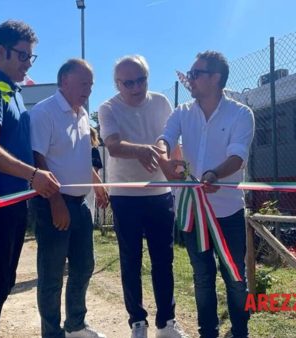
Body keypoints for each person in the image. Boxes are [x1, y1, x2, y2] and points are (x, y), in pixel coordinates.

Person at [0, 20, 60, 338]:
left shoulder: (15, 92)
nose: (27, 63)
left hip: (15, 204)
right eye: (23, 56)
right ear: (0, 51)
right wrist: (33, 174)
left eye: (31, 57)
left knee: (3, 283)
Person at [158, 51, 255, 338]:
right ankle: (208, 333)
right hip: (193, 213)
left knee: (236, 279)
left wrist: (214, 174)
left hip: (228, 213)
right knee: (202, 279)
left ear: (216, 78)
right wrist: (164, 158)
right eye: (191, 72)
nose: (190, 78)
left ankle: (240, 332)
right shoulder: (181, 112)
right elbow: (165, 138)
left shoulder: (241, 114)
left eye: (196, 73)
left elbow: (238, 156)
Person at [98, 55, 188, 338]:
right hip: (125, 195)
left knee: (164, 259)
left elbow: (173, 142)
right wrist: (142, 150)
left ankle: (166, 323)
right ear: (117, 83)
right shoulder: (107, 108)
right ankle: (137, 322)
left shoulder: (161, 102)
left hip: (161, 193)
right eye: (128, 82)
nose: (136, 87)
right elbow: (112, 146)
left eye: (141, 80)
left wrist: (176, 169)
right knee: (130, 260)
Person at [30, 58, 107, 338]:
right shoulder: (44, 112)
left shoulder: (82, 114)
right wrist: (56, 202)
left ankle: (75, 325)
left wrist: (97, 184)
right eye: (83, 83)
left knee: (84, 266)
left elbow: (80, 155)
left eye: (91, 84)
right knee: (51, 276)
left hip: (78, 204)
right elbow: (38, 159)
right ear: (64, 81)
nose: (88, 89)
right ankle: (51, 333)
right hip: (53, 204)